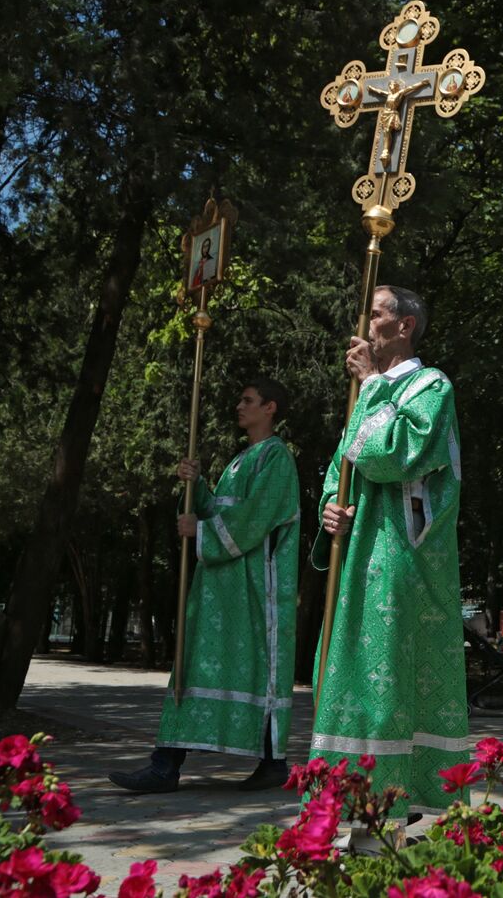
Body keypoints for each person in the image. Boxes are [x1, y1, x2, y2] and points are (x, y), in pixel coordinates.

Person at [311, 286, 468, 817]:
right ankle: (345, 806)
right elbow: (343, 468)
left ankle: (387, 807)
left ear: (404, 326)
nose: (363, 323)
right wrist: (330, 507)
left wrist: (371, 385)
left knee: (388, 678)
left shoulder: (430, 384)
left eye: (374, 314)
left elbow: (395, 454)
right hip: (358, 549)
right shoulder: (368, 392)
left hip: (400, 553)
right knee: (352, 669)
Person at [110, 380, 299, 794]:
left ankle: (268, 763)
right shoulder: (239, 461)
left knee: (257, 669)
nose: (238, 405)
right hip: (219, 586)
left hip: (253, 589)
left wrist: (202, 529)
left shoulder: (277, 459)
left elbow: (254, 520)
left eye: (247, 400)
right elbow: (217, 511)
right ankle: (169, 765)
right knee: (194, 666)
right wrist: (196, 487)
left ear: (270, 408)